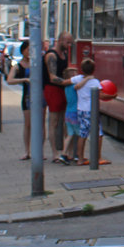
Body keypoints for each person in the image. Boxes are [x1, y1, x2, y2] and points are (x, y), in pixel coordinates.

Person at [69, 58, 112, 166]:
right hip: (91, 111)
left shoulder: (78, 78)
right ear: (94, 70)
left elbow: (67, 82)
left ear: (82, 69)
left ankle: (80, 159)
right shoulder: (94, 82)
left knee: (82, 134)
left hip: (81, 110)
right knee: (99, 134)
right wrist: (113, 96)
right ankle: (98, 158)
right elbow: (101, 95)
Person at [42, 32, 75, 162]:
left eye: (70, 43)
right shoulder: (51, 55)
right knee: (54, 121)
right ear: (60, 40)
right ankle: (55, 153)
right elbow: (52, 77)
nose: (69, 45)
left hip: (63, 89)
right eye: (67, 42)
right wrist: (69, 82)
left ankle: (67, 151)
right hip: (52, 89)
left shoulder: (64, 55)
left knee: (66, 120)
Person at [6, 40, 34, 160]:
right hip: (27, 97)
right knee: (27, 124)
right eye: (28, 50)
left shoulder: (36, 64)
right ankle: (27, 150)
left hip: (38, 96)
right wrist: (23, 80)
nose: (30, 53)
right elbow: (9, 80)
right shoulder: (18, 66)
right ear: (23, 51)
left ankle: (37, 150)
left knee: (39, 124)